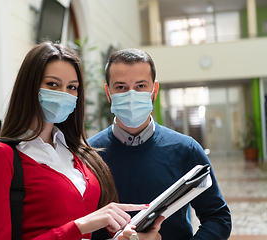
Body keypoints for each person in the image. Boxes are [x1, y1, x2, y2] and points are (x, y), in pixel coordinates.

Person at [0, 42, 163, 240]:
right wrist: (80, 226)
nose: (64, 94)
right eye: (53, 84)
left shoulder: (80, 154)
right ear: (29, 87)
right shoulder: (1, 156)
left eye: (72, 87)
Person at [88, 48, 232, 240]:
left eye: (140, 86)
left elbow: (217, 217)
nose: (131, 95)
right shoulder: (88, 155)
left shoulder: (186, 150)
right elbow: (74, 224)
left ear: (154, 90)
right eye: (121, 87)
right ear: (108, 92)